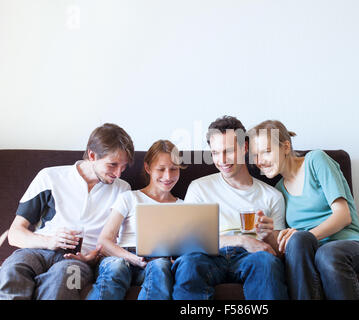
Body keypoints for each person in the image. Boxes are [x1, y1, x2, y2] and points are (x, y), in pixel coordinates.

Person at [0, 123, 134, 300]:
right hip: (38, 251)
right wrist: (49, 241)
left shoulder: (123, 190)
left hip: (79, 263)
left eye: (123, 167)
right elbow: (15, 234)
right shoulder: (49, 177)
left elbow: (120, 241)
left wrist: (94, 257)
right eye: (112, 165)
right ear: (92, 155)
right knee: (12, 269)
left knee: (65, 280)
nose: (118, 173)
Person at [248, 120, 359, 300]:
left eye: (266, 151)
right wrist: (268, 233)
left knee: (325, 252)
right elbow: (286, 246)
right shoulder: (278, 191)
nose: (259, 161)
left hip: (352, 246)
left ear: (286, 147)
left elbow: (343, 216)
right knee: (301, 243)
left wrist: (305, 236)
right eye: (255, 155)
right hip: (312, 256)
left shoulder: (316, 160)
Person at [171, 116, 289, 300]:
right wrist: (241, 240)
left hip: (251, 257)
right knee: (188, 263)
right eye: (216, 152)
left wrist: (269, 236)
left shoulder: (272, 196)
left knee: (267, 262)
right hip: (208, 255)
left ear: (245, 148)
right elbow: (188, 241)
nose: (222, 160)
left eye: (229, 151)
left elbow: (278, 253)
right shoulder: (199, 187)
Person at [86, 140, 185, 300]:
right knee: (117, 266)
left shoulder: (183, 206)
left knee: (161, 266)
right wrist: (133, 259)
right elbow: (104, 241)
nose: (168, 176)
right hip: (122, 256)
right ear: (148, 168)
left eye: (174, 169)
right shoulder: (129, 197)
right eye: (161, 169)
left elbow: (183, 247)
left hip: (156, 261)